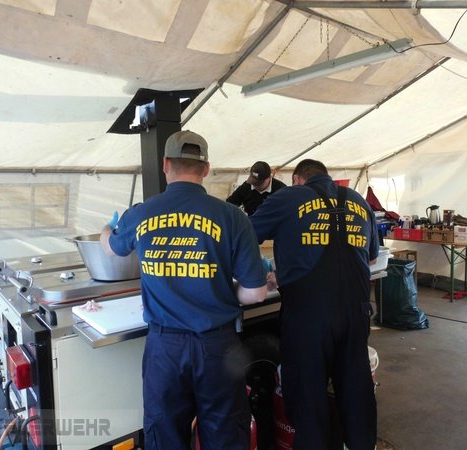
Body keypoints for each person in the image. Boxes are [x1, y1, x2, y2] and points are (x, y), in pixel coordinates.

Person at [100, 130, 268, 450]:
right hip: (218, 348)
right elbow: (257, 293)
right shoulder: (232, 217)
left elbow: (111, 248)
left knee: (165, 436)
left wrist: (108, 228)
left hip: (165, 348)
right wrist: (220, 292)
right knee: (225, 435)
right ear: (206, 169)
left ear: (165, 164)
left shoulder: (141, 213)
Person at [249, 159, 379, 450]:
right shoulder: (358, 201)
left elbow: (245, 235)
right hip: (356, 313)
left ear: (297, 179)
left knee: (307, 397)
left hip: (309, 316)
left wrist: (274, 274)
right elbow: (371, 257)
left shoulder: (288, 197)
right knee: (356, 393)